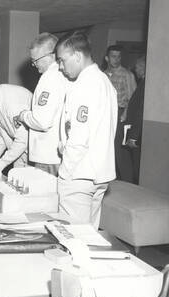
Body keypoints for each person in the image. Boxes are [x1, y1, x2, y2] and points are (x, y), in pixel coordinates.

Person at [56, 31, 118, 229]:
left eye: (62, 60)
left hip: (79, 173)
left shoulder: (84, 86)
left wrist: (65, 171)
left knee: (72, 235)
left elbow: (79, 135)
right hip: (100, 171)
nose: (60, 66)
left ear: (77, 55)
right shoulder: (104, 82)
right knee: (90, 234)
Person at [14, 32, 69, 176]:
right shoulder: (64, 75)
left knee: (44, 196)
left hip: (47, 155)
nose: (34, 65)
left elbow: (42, 121)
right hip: (58, 152)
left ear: (51, 56)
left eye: (36, 60)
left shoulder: (48, 79)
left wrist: (23, 116)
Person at [104, 45, 137, 182]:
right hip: (105, 114)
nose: (116, 59)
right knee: (106, 147)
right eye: (113, 56)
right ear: (107, 58)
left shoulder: (127, 74)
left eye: (119, 56)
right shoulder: (103, 74)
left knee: (119, 150)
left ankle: (129, 182)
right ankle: (111, 178)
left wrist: (125, 115)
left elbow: (133, 98)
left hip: (120, 113)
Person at [125, 55, 146, 184]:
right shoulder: (142, 83)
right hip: (137, 131)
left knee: (138, 165)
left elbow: (140, 111)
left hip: (138, 134)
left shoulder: (145, 85)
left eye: (138, 66)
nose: (136, 69)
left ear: (145, 67)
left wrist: (133, 136)